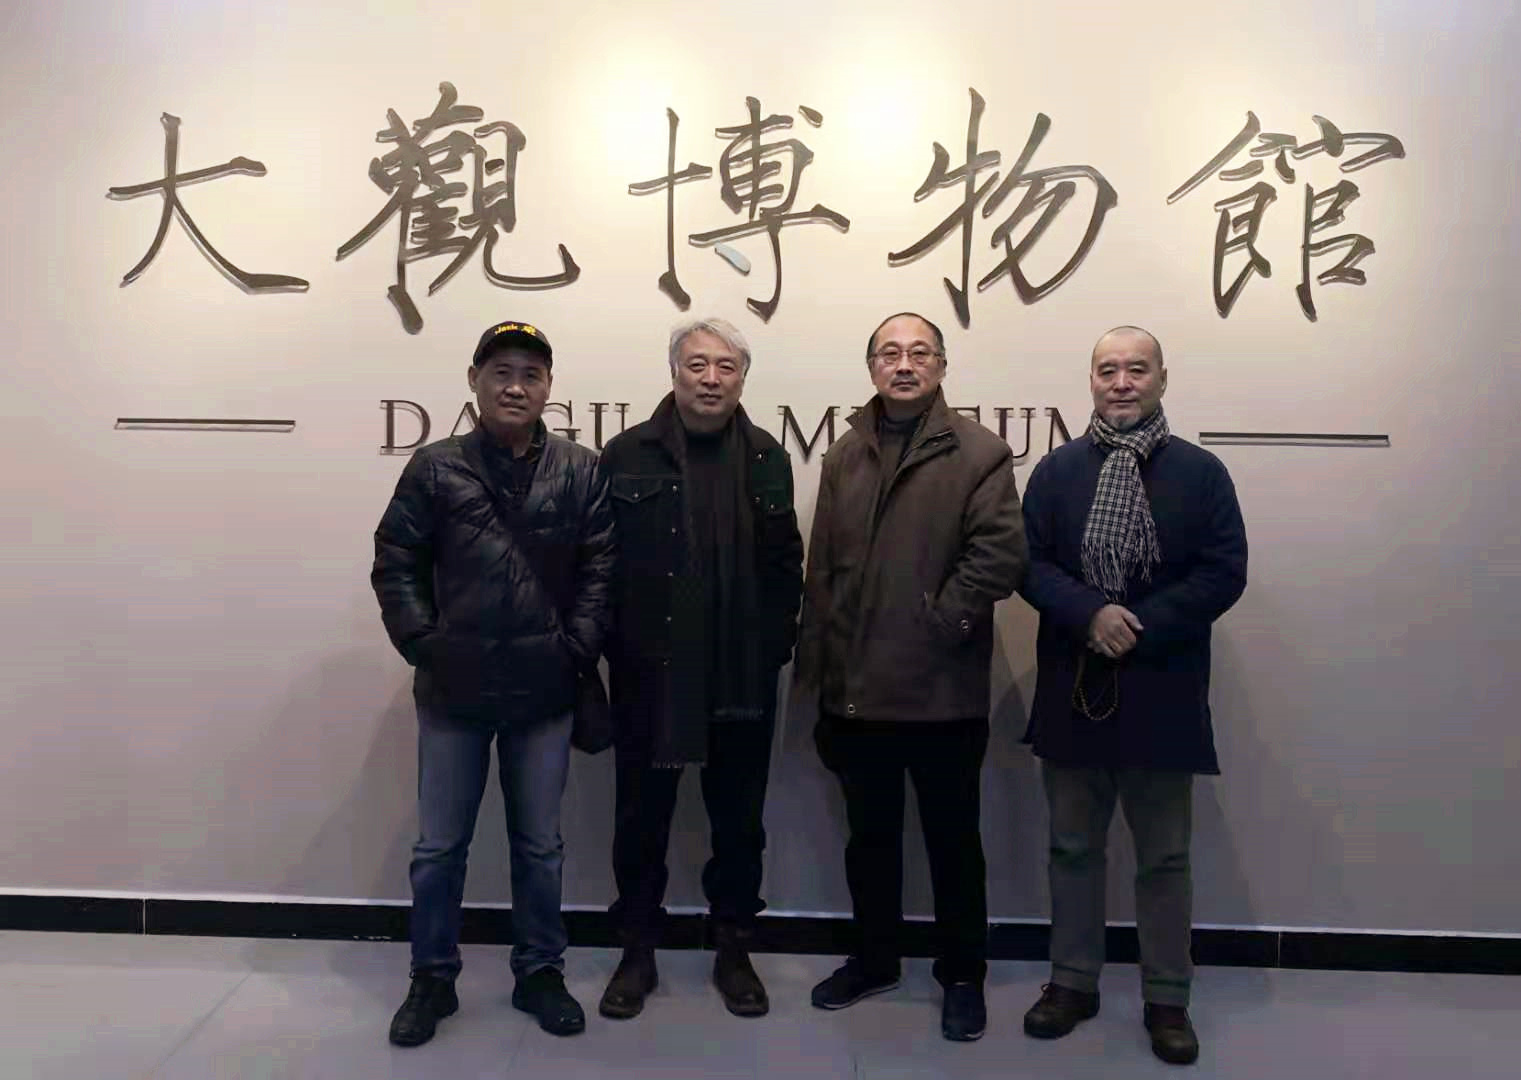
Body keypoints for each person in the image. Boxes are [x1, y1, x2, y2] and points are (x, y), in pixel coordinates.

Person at [372, 319, 615, 1045]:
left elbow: (601, 569)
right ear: (475, 380)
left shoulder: (580, 469)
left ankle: (539, 972)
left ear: (548, 388)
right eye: (501, 372)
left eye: (531, 375)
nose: (515, 386)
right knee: (438, 849)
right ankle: (431, 979)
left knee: (539, 846)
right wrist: (426, 645)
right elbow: (396, 562)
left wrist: (574, 649)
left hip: (544, 694)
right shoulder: (434, 467)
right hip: (454, 693)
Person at [1017, 326, 1247, 1066]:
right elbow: (1027, 563)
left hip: (1162, 687)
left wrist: (1137, 625)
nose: (1121, 382)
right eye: (1107, 370)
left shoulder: (1201, 473)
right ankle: (1071, 983)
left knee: (1165, 859)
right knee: (1071, 848)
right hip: (1072, 684)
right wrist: (1090, 613)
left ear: (1161, 380)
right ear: (1090, 380)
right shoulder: (1055, 471)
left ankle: (1167, 998)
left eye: (1136, 370)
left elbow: (1223, 571)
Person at [796, 311, 1027, 1042]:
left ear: (941, 365)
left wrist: (937, 624)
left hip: (942, 694)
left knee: (953, 844)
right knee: (869, 842)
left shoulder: (979, 451)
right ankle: (875, 960)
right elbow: (822, 575)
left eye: (919, 352)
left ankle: (962, 975)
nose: (904, 364)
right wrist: (817, 677)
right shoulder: (845, 454)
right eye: (890, 353)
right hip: (856, 695)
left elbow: (998, 556)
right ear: (871, 367)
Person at [596, 317, 804, 1021]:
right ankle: (636, 951)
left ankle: (734, 949)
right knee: (640, 820)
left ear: (743, 377)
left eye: (726, 366)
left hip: (741, 674)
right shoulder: (626, 454)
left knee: (739, 824)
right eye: (697, 365)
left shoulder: (767, 456)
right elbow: (602, 563)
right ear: (674, 372)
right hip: (650, 673)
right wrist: (614, 648)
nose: (711, 378)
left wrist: (772, 647)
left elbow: (785, 565)